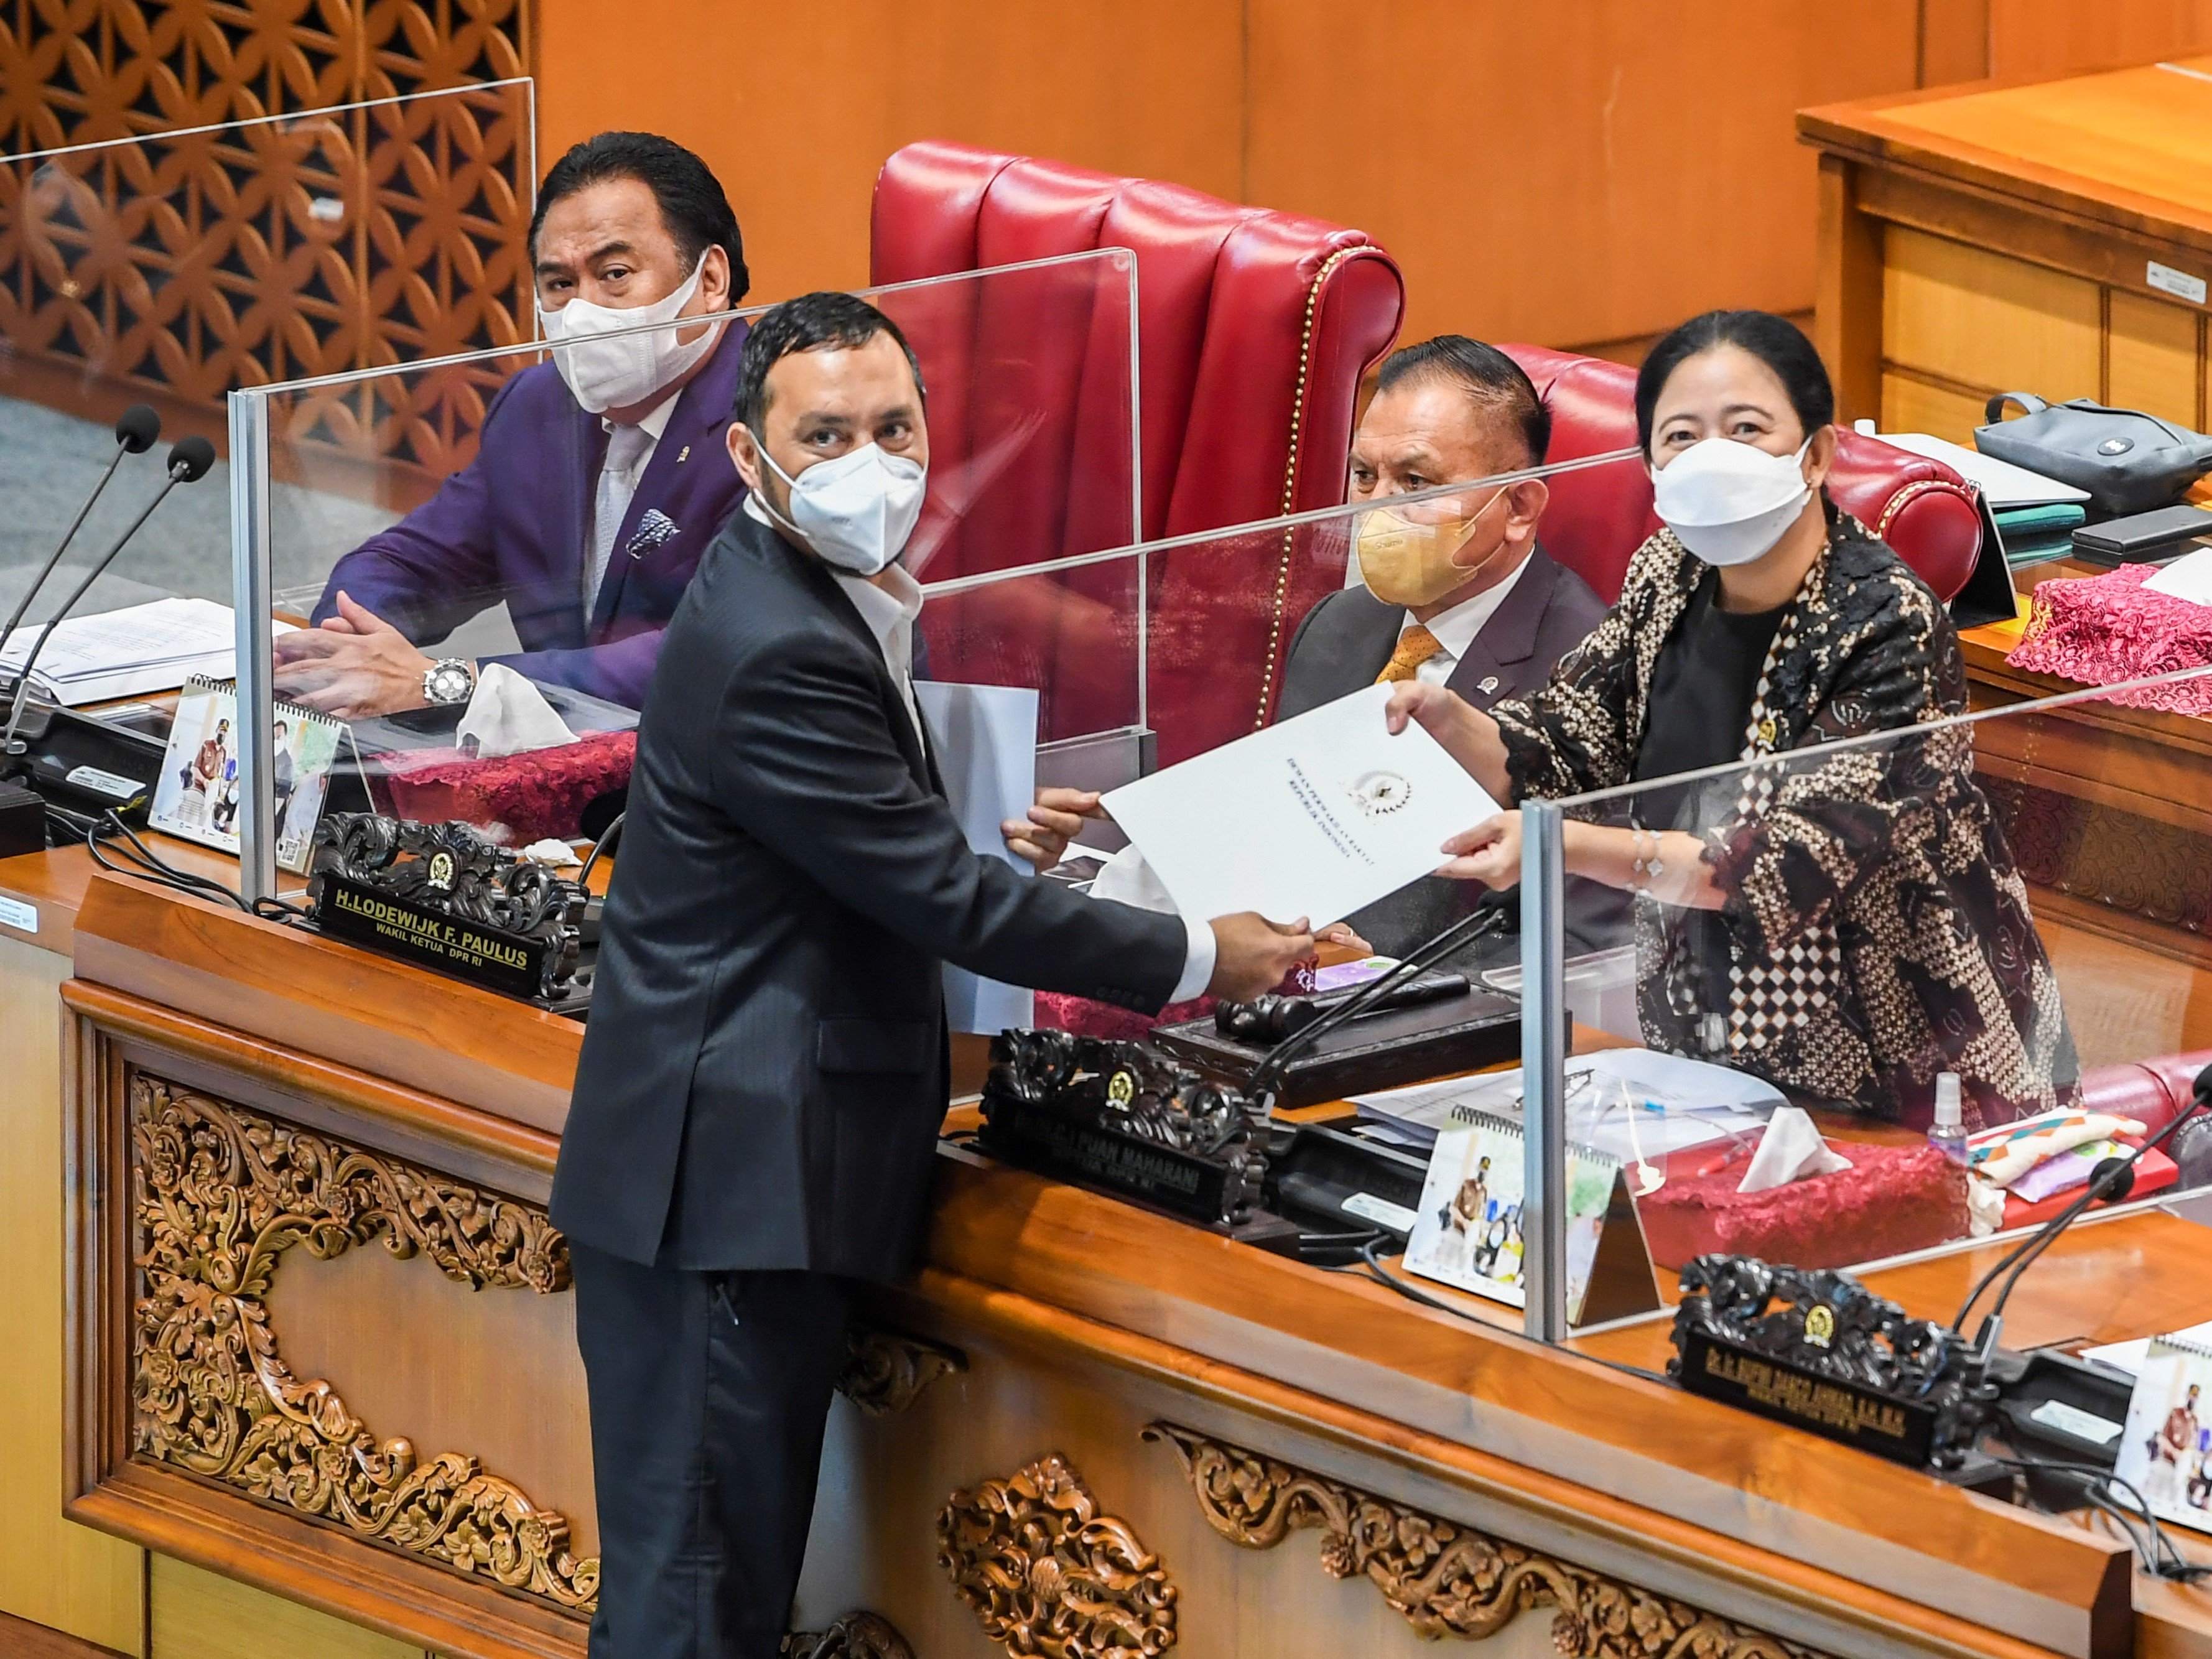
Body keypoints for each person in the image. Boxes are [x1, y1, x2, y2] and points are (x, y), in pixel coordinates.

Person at [550, 291, 1313, 1659]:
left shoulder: (806, 591)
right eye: (825, 433)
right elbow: (943, 896)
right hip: (720, 1191)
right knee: (693, 1613)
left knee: (707, 1593)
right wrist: (1201, 951)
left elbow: (879, 853)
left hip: (738, 1167)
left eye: (893, 426)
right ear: (747, 457)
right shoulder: (778, 642)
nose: (871, 461)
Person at [1388, 309, 2075, 1129]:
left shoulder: (1887, 621)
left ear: (1815, 453)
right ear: (1650, 461)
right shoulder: (1668, 571)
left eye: (1746, 428)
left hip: (1908, 1067)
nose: (1712, 456)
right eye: (1681, 434)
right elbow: (1568, 737)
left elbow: (1781, 865)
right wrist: (1454, 721)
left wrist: (1554, 845)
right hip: (1706, 1052)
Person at [1001, 335, 1617, 971]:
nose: (1378, 511)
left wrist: (1376, 973)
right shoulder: (1340, 624)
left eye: (1415, 480)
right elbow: (1278, 831)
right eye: (1363, 476)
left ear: (1517, 507)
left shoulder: (1589, 671)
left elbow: (1583, 946)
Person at [274, 132, 752, 718]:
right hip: (551, 765)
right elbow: (412, 562)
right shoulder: (538, 406)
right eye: (559, 285)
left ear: (709, 281)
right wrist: (347, 644)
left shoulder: (775, 427)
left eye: (616, 274)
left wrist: (447, 681)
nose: (583, 312)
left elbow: (707, 657)